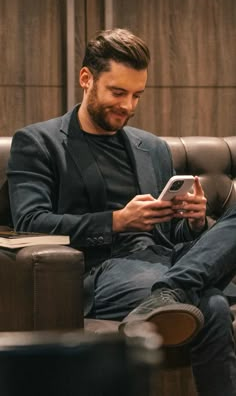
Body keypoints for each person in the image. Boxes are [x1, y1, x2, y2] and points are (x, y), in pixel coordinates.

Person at [7, 27, 236, 395]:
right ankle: (175, 287)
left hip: (165, 261)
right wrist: (117, 221)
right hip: (103, 269)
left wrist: (192, 220)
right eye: (118, 92)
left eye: (136, 95)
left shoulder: (153, 146)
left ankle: (172, 288)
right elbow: (31, 222)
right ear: (87, 79)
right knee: (211, 305)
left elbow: (167, 231)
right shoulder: (38, 142)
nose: (128, 106)